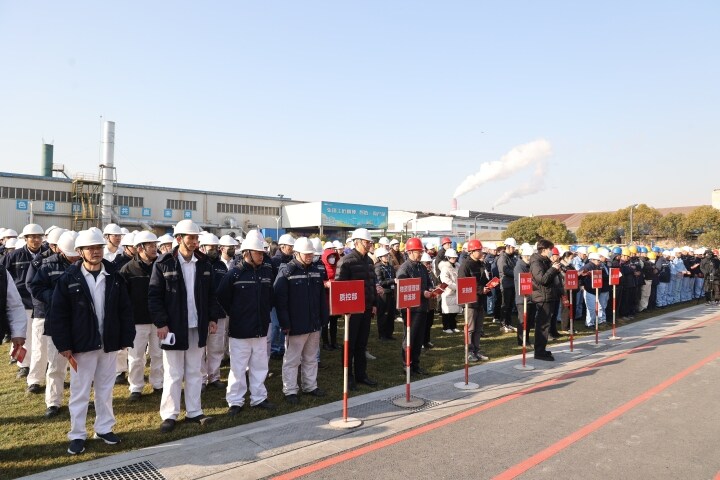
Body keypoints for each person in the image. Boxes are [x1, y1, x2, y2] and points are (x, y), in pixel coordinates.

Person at [49, 229, 135, 455]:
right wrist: (64, 345)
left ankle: (104, 428)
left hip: (108, 343)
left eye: (98, 248)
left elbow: (125, 310)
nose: (96, 252)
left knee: (105, 389)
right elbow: (58, 315)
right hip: (82, 345)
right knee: (80, 392)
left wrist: (126, 337)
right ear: (80, 252)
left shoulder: (115, 276)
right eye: (90, 248)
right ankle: (77, 434)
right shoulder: (68, 279)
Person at [148, 220, 223, 433]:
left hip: (197, 326)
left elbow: (211, 294)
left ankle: (194, 411)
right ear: (179, 238)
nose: (195, 242)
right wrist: (161, 323)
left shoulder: (204, 263)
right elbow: (154, 296)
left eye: (196, 238)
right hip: (173, 327)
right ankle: (169, 414)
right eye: (191, 238)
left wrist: (212, 318)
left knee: (194, 370)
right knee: (173, 372)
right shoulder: (163, 263)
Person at [216, 234, 275, 415]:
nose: (262, 256)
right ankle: (235, 401)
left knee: (260, 365)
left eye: (262, 253)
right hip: (240, 330)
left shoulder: (266, 273)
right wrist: (236, 313)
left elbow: (270, 298)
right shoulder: (234, 274)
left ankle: (259, 398)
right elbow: (222, 297)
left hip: (260, 328)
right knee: (238, 368)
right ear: (247, 253)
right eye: (258, 253)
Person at [27, 231, 78, 416]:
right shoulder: (47, 265)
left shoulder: (86, 265)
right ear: (62, 251)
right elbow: (35, 287)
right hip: (57, 322)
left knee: (81, 367)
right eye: (71, 255)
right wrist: (56, 297)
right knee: (56, 364)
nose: (75, 258)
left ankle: (78, 400)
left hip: (81, 323)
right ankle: (53, 402)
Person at [274, 237, 328, 404]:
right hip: (295, 325)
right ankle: (290, 390)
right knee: (292, 359)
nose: (310, 256)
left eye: (311, 253)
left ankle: (310, 386)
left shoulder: (316, 271)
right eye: (306, 254)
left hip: (314, 323)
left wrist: (323, 317)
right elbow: (280, 300)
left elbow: (321, 298)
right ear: (296, 253)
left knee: (311, 357)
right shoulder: (287, 272)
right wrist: (285, 323)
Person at [119, 231, 163, 402]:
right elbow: (123, 298)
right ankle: (136, 387)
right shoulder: (128, 269)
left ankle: (158, 383)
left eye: (155, 245)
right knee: (136, 357)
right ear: (139, 248)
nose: (154, 248)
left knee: (158, 354)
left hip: (158, 320)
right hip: (137, 321)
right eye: (150, 245)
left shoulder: (160, 266)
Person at [23, 227, 66, 394]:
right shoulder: (39, 261)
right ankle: (35, 380)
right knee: (39, 348)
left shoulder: (70, 260)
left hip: (63, 313)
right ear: (53, 245)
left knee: (59, 350)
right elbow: (31, 285)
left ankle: (57, 379)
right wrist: (51, 299)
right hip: (42, 311)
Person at [335, 228, 378, 389]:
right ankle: (348, 376)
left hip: (366, 308)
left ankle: (361, 374)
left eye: (370, 242)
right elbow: (339, 287)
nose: (369, 245)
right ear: (357, 242)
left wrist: (374, 304)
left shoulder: (369, 261)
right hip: (352, 311)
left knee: (362, 343)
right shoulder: (346, 261)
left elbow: (372, 284)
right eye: (367, 242)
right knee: (350, 344)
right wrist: (345, 310)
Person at [3, 223, 48, 378]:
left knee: (41, 338)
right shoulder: (14, 256)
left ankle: (42, 365)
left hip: (42, 303)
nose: (36, 240)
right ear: (25, 238)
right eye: (32, 237)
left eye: (39, 237)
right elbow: (3, 276)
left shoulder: (47, 255)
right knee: (25, 336)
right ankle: (24, 365)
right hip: (23, 302)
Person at [396, 238, 434, 375]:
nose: (420, 254)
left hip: (422, 307)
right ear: (410, 252)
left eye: (421, 251)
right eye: (419, 252)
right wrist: (422, 293)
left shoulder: (422, 267)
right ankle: (407, 365)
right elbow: (403, 288)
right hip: (410, 309)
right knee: (410, 337)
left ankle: (416, 365)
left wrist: (431, 289)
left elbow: (428, 282)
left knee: (419, 338)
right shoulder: (404, 268)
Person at [198, 233, 228, 391]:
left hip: (219, 312)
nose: (214, 251)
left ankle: (214, 376)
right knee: (200, 348)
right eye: (211, 248)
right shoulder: (197, 264)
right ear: (202, 248)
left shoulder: (221, 266)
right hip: (202, 313)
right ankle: (201, 379)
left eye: (216, 248)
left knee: (216, 347)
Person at [529, 239, 562, 361]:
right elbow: (542, 279)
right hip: (542, 297)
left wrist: (556, 269)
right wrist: (553, 269)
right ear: (543, 250)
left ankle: (542, 349)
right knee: (542, 325)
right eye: (550, 249)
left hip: (548, 295)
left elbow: (550, 277)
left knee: (546, 325)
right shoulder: (536, 262)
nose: (551, 252)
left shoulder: (545, 261)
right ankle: (539, 352)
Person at [457, 239, 490, 362]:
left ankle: (476, 350)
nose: (481, 252)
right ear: (472, 251)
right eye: (479, 250)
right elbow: (463, 283)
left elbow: (484, 279)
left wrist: (489, 285)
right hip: (470, 302)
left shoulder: (481, 264)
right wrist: (481, 289)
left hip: (480, 300)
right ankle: (469, 352)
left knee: (478, 328)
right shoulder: (465, 265)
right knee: (470, 328)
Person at [269, 234, 295, 360]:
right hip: (275, 298)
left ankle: (281, 347)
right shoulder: (274, 261)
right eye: (290, 246)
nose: (292, 249)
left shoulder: (293, 260)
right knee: (276, 325)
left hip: (288, 298)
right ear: (282, 246)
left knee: (284, 324)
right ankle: (274, 348)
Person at [514, 243, 536, 346]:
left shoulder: (529, 266)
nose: (530, 259)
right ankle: (521, 340)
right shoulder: (519, 267)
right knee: (523, 321)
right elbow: (522, 282)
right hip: (522, 298)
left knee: (529, 321)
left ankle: (526, 339)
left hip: (530, 297)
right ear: (524, 256)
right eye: (528, 256)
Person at [321, 242, 341, 350]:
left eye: (334, 256)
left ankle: (334, 342)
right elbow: (319, 281)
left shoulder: (337, 267)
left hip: (335, 298)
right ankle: (325, 342)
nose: (332, 259)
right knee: (325, 321)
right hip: (325, 298)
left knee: (334, 321)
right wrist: (326, 283)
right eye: (330, 257)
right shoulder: (322, 267)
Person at [374, 246, 397, 341]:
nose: (387, 257)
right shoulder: (378, 267)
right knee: (383, 314)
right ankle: (382, 334)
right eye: (384, 256)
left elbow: (394, 277)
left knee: (391, 314)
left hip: (391, 292)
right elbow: (380, 282)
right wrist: (392, 281)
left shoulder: (390, 267)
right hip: (383, 294)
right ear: (380, 257)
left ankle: (389, 334)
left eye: (387, 255)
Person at [497, 238, 518, 334]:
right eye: (513, 247)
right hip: (506, 285)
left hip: (512, 284)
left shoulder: (512, 257)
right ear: (508, 247)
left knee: (510, 305)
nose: (514, 249)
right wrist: (517, 273)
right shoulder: (503, 258)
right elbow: (505, 270)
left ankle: (508, 323)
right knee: (505, 305)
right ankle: (503, 324)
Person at [438, 248, 461, 333]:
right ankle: (446, 327)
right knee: (447, 311)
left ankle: (453, 326)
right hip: (448, 291)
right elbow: (445, 280)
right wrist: (456, 287)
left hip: (456, 291)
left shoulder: (457, 266)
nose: (454, 259)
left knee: (454, 311)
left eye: (455, 257)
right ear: (447, 257)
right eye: (452, 257)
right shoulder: (445, 267)